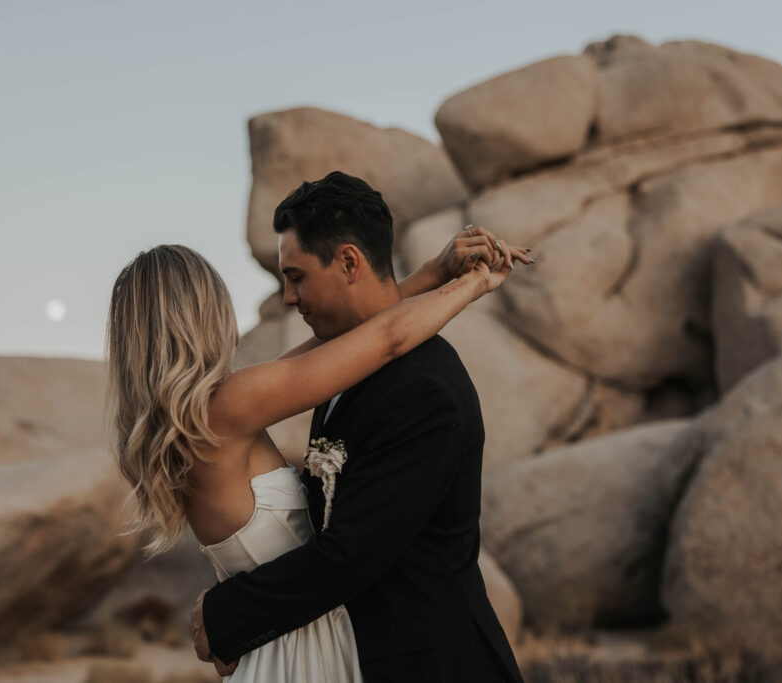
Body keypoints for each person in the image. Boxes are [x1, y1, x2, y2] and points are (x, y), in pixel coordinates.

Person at [108, 172, 529, 682]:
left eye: (296, 276)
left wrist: (427, 276)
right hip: (303, 649)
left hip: (333, 646)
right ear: (201, 316)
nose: (287, 296)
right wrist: (472, 283)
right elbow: (388, 339)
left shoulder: (209, 412)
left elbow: (345, 348)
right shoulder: (229, 405)